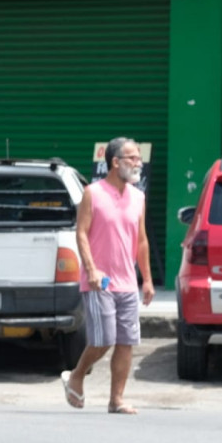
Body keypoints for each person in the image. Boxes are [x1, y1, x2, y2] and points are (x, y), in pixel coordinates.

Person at [62, 136, 154, 414]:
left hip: (127, 282)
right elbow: (81, 233)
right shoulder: (93, 193)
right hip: (99, 280)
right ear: (115, 162)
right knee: (103, 340)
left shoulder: (138, 196)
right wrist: (90, 268)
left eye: (139, 158)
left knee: (126, 342)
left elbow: (141, 240)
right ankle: (76, 374)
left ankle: (116, 399)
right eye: (132, 158)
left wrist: (147, 279)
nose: (138, 163)